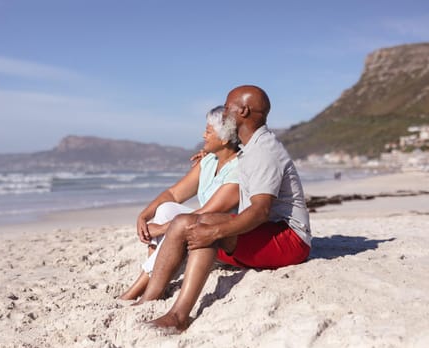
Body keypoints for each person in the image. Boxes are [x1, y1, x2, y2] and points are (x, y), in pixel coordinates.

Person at [135, 85, 312, 331]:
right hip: (266, 230)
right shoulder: (251, 145)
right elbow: (230, 151)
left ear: (244, 111)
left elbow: (261, 211)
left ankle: (178, 317)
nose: (224, 112)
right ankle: (147, 299)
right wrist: (210, 152)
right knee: (183, 222)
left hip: (290, 239)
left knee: (208, 226)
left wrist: (217, 233)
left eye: (227, 107)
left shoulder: (263, 152)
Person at [119, 106, 241, 300]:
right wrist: (144, 216)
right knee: (166, 208)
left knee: (176, 221)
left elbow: (207, 212)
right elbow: (173, 194)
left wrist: (160, 229)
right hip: (203, 229)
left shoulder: (239, 168)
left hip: (223, 241)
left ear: (225, 138)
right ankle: (156, 279)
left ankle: (139, 288)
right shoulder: (209, 161)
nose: (203, 135)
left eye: (208, 131)